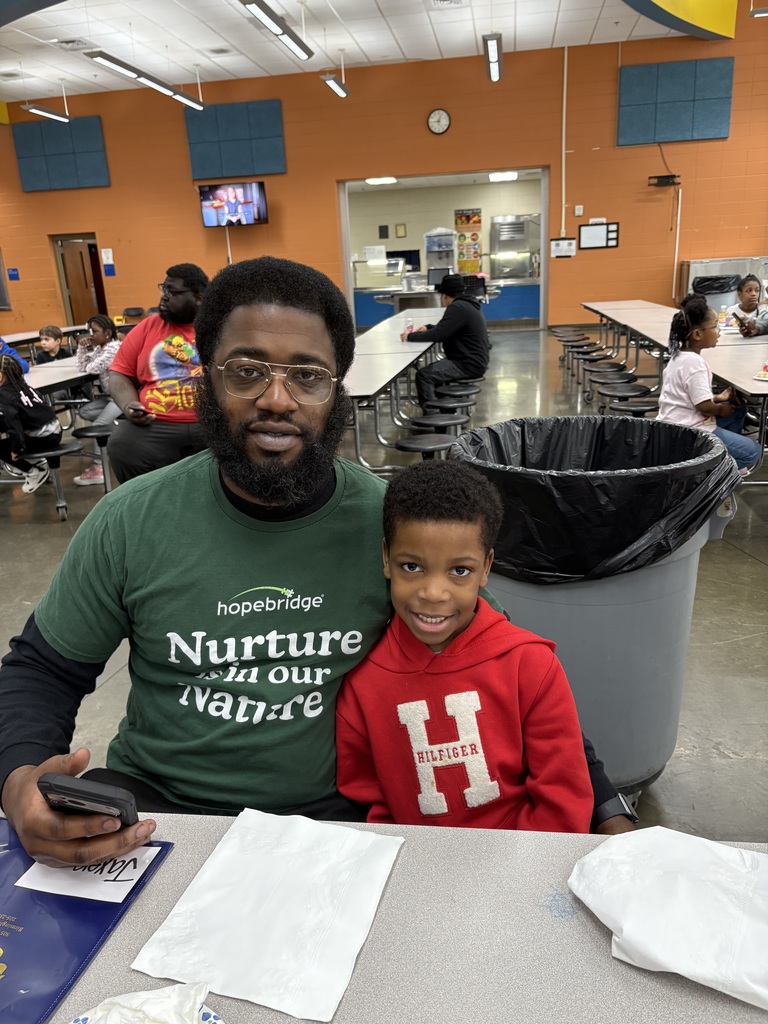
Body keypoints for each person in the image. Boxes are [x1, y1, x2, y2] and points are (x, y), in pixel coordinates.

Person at [0, 256, 631, 869]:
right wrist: (19, 778)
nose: (277, 399)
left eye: (307, 375)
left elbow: (513, 667)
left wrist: (609, 818)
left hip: (341, 819)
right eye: (246, 371)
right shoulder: (131, 520)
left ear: (337, 391)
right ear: (207, 381)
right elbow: (42, 671)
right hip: (162, 810)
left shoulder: (398, 529)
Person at [336, 461, 593, 832]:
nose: (434, 593)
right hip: (415, 859)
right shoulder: (361, 685)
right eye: (411, 566)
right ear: (386, 559)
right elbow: (368, 803)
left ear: (486, 568)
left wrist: (519, 866)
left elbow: (563, 798)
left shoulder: (531, 666)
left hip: (524, 859)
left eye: (459, 571)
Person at [106, 263, 209, 483]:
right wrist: (129, 405)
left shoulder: (219, 327)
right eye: (164, 289)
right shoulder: (147, 327)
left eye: (173, 292)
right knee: (122, 446)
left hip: (211, 421)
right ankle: (149, 501)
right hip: (156, 422)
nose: (164, 298)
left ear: (198, 298)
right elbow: (119, 373)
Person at [658, 294, 761, 473]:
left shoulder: (678, 357)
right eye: (715, 326)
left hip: (670, 427)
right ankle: (710, 472)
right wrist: (721, 409)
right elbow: (704, 407)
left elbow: (685, 397)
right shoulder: (695, 363)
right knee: (753, 451)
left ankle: (722, 456)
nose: (719, 330)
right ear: (698, 334)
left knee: (738, 409)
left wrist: (717, 398)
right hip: (689, 432)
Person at [401, 273, 489, 408]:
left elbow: (439, 335)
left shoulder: (457, 307)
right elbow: (448, 328)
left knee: (424, 375)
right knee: (435, 372)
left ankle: (432, 415)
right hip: (474, 360)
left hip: (467, 364)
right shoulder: (467, 304)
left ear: (444, 296)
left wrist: (410, 336)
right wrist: (428, 327)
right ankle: (445, 411)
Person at [72, 314, 123, 487]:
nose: (91, 336)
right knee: (85, 411)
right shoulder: (101, 348)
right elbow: (81, 367)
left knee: (98, 425)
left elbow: (92, 368)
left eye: (94, 332)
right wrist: (82, 348)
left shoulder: (113, 348)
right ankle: (115, 432)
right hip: (110, 396)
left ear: (107, 333)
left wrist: (88, 358)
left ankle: (98, 468)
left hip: (122, 395)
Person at [0, 353, 61, 493]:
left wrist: (17, 450)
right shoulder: (23, 386)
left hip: (44, 438)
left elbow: (14, 425)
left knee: (3, 446)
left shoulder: (3, 394)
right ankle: (34, 462)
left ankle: (33, 471)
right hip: (54, 431)